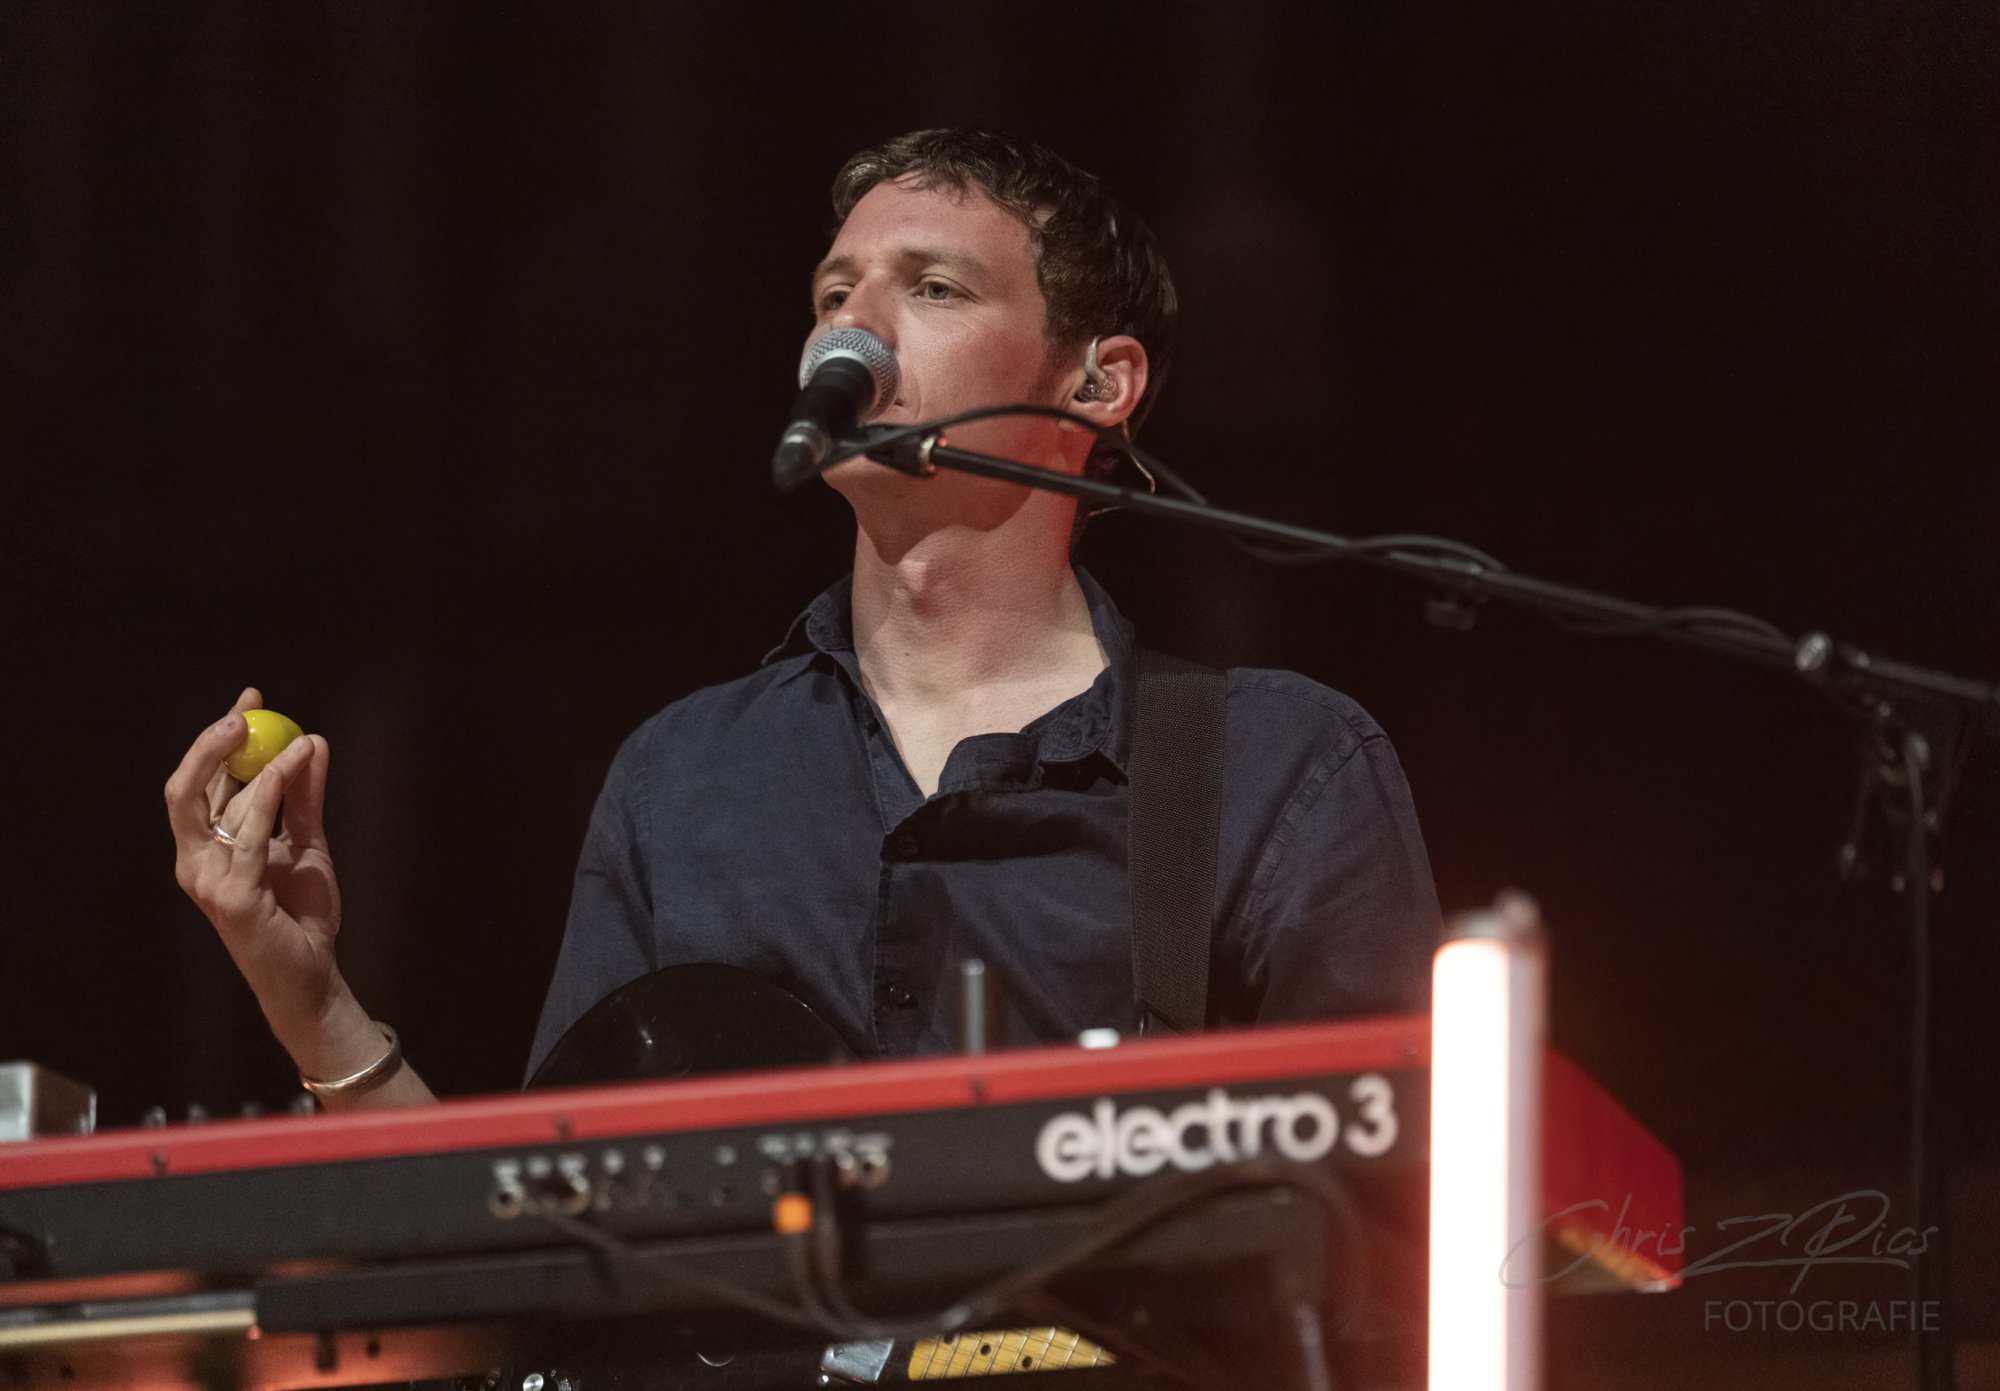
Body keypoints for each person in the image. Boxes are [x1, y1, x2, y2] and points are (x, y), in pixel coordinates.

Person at [164, 129, 1440, 1112]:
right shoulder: (684, 777)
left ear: (1097, 383)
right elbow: (549, 1264)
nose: (852, 331)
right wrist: (308, 996)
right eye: (833, 294)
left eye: (932, 287)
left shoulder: (1276, 766)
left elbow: (1386, 1221)